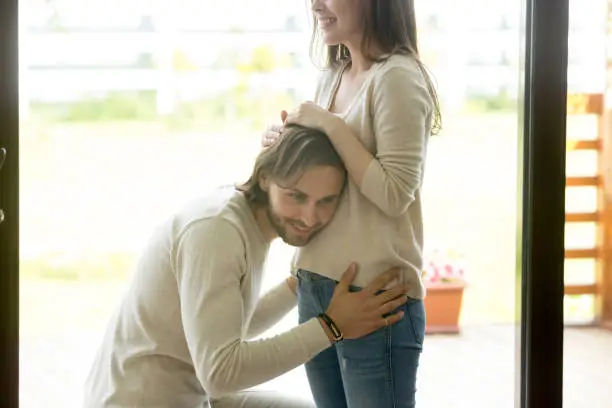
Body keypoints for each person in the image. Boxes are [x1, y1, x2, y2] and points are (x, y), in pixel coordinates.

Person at [83, 124, 411, 408]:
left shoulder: (245, 222)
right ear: (265, 177)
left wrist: (298, 285)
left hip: (189, 398)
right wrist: (332, 326)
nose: (310, 217)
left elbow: (228, 326)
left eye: (325, 201)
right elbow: (220, 373)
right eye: (296, 196)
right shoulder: (216, 231)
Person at [260, 1, 442, 407]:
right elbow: (334, 177)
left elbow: (395, 193)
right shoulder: (335, 74)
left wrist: (329, 125)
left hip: (375, 301)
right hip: (318, 290)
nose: (316, 4)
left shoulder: (397, 78)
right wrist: (285, 144)